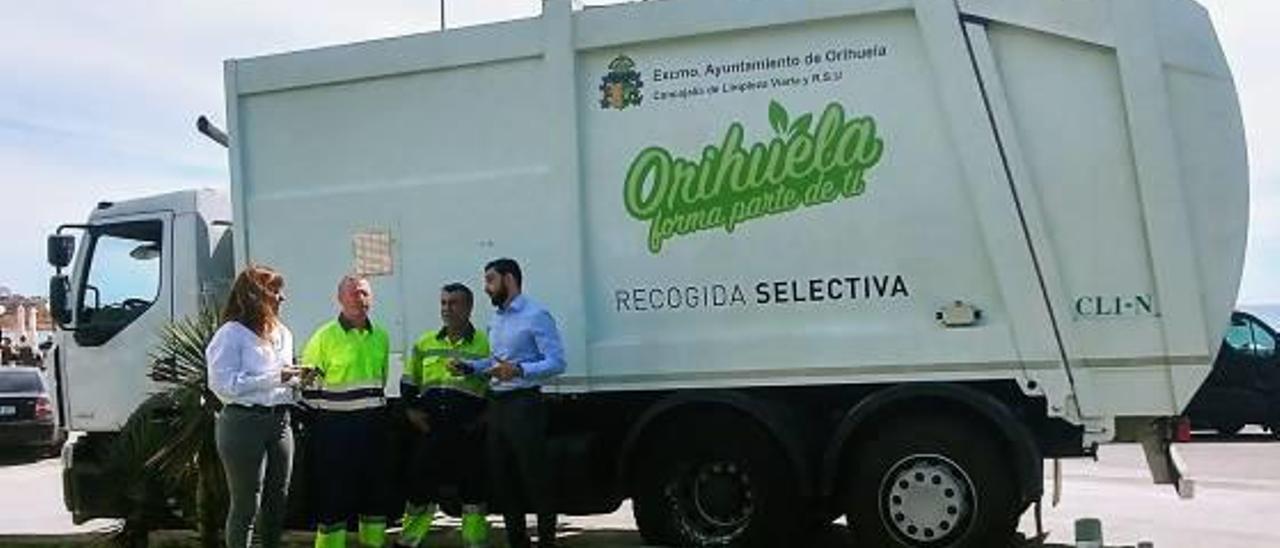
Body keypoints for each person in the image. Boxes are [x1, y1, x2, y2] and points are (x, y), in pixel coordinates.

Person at [451, 258, 566, 548]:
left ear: (510, 279)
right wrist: (470, 367)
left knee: (534, 478)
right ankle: (517, 541)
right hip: (498, 405)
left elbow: (557, 362)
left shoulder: (537, 315)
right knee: (503, 479)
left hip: (525, 405)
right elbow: (495, 361)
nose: (486, 288)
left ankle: (547, 542)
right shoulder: (497, 319)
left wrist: (519, 371)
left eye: (491, 280)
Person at [206, 265, 307, 548]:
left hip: (280, 421)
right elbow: (223, 384)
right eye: (274, 291)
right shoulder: (231, 334)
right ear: (255, 295)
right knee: (246, 504)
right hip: (243, 422)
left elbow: (283, 379)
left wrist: (299, 380)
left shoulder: (283, 333)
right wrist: (277, 377)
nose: (281, 298)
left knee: (278, 500)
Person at [397, 283, 492, 548]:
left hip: (467, 430)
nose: (447, 309)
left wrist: (482, 421)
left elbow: (495, 389)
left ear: (469, 307)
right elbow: (408, 383)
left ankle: (475, 543)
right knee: (419, 489)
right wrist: (410, 411)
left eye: (454, 303)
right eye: (443, 303)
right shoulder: (424, 343)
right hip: (431, 430)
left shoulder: (486, 344)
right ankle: (409, 542)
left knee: (474, 490)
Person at [302, 274, 392, 548]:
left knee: (375, 499)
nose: (359, 299)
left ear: (371, 299)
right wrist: (326, 427)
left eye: (364, 293)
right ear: (340, 299)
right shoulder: (324, 336)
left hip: (373, 428)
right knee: (334, 501)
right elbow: (309, 389)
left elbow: (381, 382)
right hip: (335, 431)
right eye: (353, 293)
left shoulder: (381, 336)